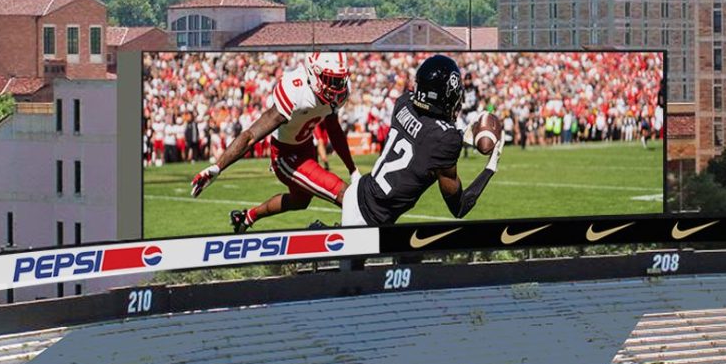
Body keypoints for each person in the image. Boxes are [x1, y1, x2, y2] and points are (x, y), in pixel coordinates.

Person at [191, 52, 357, 233]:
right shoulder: (295, 91)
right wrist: (218, 167)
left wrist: (352, 169)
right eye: (330, 80)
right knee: (347, 195)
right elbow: (251, 136)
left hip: (307, 147)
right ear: (313, 73)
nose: (336, 87)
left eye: (339, 80)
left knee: (300, 201)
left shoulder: (338, 92)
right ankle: (351, 251)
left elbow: (334, 129)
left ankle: (247, 217)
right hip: (286, 156)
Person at [340, 54, 503, 227]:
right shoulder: (446, 139)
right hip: (369, 218)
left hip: (359, 192)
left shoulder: (403, 102)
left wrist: (461, 135)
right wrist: (490, 169)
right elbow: (459, 207)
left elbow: (423, 137)